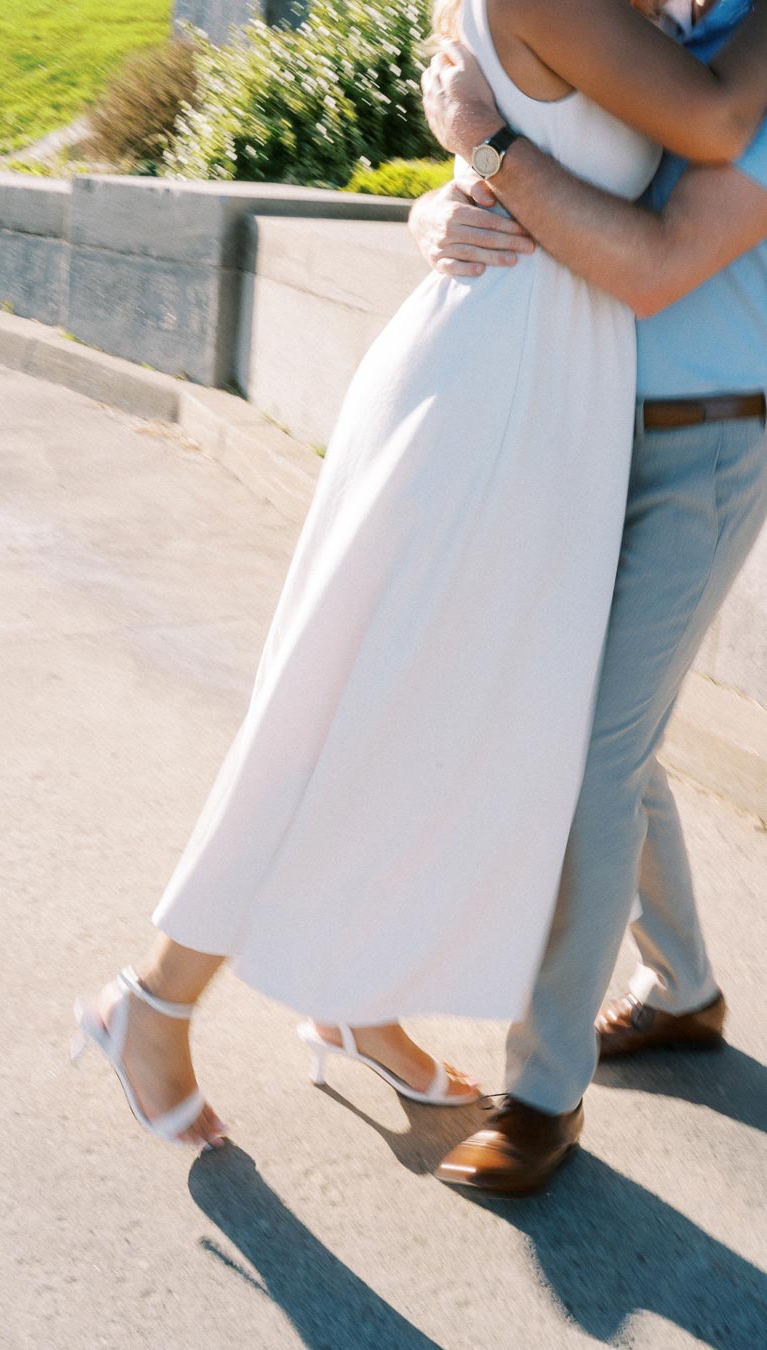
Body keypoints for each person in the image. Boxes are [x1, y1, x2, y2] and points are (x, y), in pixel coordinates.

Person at [71, 0, 767, 1155]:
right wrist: (456, 186)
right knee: (344, 702)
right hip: (495, 395)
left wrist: (474, 166)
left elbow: (628, 183)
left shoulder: (662, 21)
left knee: (497, 718)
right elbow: (677, 122)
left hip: (584, 405)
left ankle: (368, 1003)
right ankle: (153, 1000)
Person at [413, 0, 767, 1194]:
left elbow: (654, 264)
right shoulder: (677, 38)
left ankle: (541, 1094)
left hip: (705, 447)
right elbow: (543, 135)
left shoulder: (748, 74)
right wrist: (453, 191)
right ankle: (687, 990)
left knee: (593, 757)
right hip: (579, 421)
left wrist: (493, 155)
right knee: (615, 730)